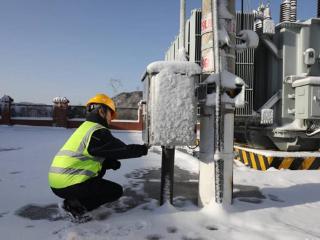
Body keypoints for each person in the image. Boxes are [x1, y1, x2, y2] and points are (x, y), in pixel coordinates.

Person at [48, 93, 148, 220]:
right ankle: (75, 207)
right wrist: (143, 149)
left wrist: (107, 162)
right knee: (115, 191)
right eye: (110, 114)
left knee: (100, 172)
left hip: (57, 182)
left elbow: (91, 153)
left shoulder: (85, 128)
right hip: (68, 184)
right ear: (101, 111)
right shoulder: (98, 131)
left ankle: (74, 198)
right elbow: (122, 149)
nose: (110, 119)